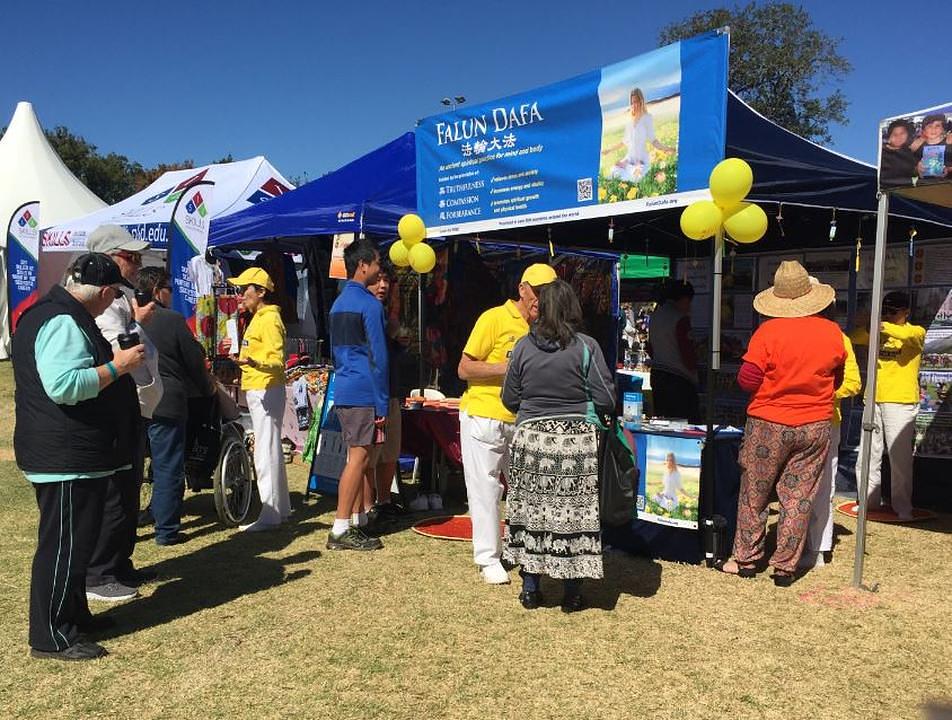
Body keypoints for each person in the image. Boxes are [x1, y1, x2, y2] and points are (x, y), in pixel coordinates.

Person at [13, 253, 145, 661]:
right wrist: (118, 368)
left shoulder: (53, 312)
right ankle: (51, 635)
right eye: (112, 296)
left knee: (76, 545)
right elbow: (65, 386)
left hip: (72, 453)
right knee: (62, 547)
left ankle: (75, 617)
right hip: (65, 455)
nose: (112, 303)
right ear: (105, 292)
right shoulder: (62, 320)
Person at [719, 261, 846, 586]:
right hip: (815, 423)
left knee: (755, 494)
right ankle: (785, 568)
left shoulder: (768, 332)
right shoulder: (833, 333)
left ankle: (746, 560)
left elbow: (748, 379)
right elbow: (837, 379)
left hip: (769, 423)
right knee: (799, 496)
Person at [501, 279, 615, 611]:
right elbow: (606, 398)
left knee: (532, 514)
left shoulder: (522, 347)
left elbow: (509, 398)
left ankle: (530, 589)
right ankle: (572, 593)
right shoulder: (586, 347)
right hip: (574, 446)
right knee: (572, 517)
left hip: (531, 443)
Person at [458, 262, 557, 585]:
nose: (541, 299)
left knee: (527, 488)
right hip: (485, 415)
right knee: (485, 489)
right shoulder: (493, 318)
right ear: (522, 289)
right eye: (537, 292)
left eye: (548, 293)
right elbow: (464, 369)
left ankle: (524, 548)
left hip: (524, 420)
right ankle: (488, 557)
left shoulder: (546, 327)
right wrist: (509, 368)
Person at [85, 225, 161, 602]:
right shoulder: (103, 303)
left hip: (135, 405)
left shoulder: (119, 299)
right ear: (108, 258)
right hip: (117, 404)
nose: (137, 264)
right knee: (116, 490)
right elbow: (118, 350)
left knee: (129, 488)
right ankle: (100, 572)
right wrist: (136, 326)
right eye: (131, 257)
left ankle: (117, 562)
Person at [135, 267, 216, 545]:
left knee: (135, 465)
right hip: (167, 400)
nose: (172, 293)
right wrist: (208, 389)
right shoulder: (171, 320)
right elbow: (194, 360)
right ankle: (166, 530)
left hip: (135, 400)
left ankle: (132, 523)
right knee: (168, 464)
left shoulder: (127, 317)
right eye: (169, 288)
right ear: (158, 291)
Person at [326, 239, 389, 551]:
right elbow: (379, 357)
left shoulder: (338, 304)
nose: (379, 271)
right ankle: (340, 527)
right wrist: (382, 402)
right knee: (359, 458)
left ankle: (354, 520)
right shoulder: (370, 305)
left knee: (356, 457)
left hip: (346, 386)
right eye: (377, 263)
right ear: (363, 265)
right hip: (364, 390)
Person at [224, 267, 291, 531]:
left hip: (266, 390)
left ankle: (271, 513)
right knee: (268, 449)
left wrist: (252, 361)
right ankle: (279, 509)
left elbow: (277, 361)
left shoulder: (269, 319)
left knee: (266, 452)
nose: (241, 295)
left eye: (245, 290)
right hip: (261, 389)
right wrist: (246, 362)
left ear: (260, 292)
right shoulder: (260, 318)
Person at [802, 290, 862, 568]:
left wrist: (821, 392)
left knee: (824, 484)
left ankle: (818, 548)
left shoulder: (838, 338)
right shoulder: (787, 333)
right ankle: (796, 544)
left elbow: (852, 382)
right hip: (790, 418)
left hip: (825, 418)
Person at [855, 292, 925, 521]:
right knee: (867, 454)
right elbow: (854, 337)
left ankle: (903, 506)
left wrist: (882, 325)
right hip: (873, 398)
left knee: (900, 457)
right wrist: (869, 325)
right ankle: (867, 501)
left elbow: (907, 336)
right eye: (885, 311)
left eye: (893, 312)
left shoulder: (916, 332)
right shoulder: (877, 331)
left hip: (901, 401)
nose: (888, 316)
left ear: (906, 312)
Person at [363, 262, 408, 521]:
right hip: (371, 393)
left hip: (390, 390)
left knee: (390, 450)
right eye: (377, 280)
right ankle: (368, 507)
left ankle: (384, 501)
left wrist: (399, 342)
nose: (382, 285)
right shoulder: (366, 310)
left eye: (386, 281)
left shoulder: (385, 313)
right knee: (370, 454)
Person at [647, 280, 699, 421]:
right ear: (683, 299)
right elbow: (687, 353)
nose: (689, 307)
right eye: (689, 302)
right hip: (679, 379)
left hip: (658, 375)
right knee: (683, 423)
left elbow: (650, 347)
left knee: (663, 422)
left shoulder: (655, 316)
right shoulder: (680, 319)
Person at [602, 88, 675, 182]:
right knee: (614, 171)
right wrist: (608, 150)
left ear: (641, 101)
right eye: (632, 102)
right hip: (629, 159)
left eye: (636, 101)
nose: (634, 105)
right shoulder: (629, 121)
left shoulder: (647, 118)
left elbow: (653, 140)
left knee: (636, 177)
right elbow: (624, 142)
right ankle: (629, 168)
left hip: (642, 160)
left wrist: (667, 148)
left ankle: (634, 170)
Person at [911, 113, 952, 182]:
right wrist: (916, 169)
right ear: (924, 130)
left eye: (937, 126)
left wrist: (948, 169)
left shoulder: (949, 141)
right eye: (930, 126)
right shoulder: (916, 145)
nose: (933, 129)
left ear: (943, 129)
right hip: (926, 185)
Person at [879, 119, 918, 187]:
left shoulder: (911, 153)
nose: (898, 137)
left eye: (902, 133)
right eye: (894, 134)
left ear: (908, 135)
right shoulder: (882, 154)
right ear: (889, 138)